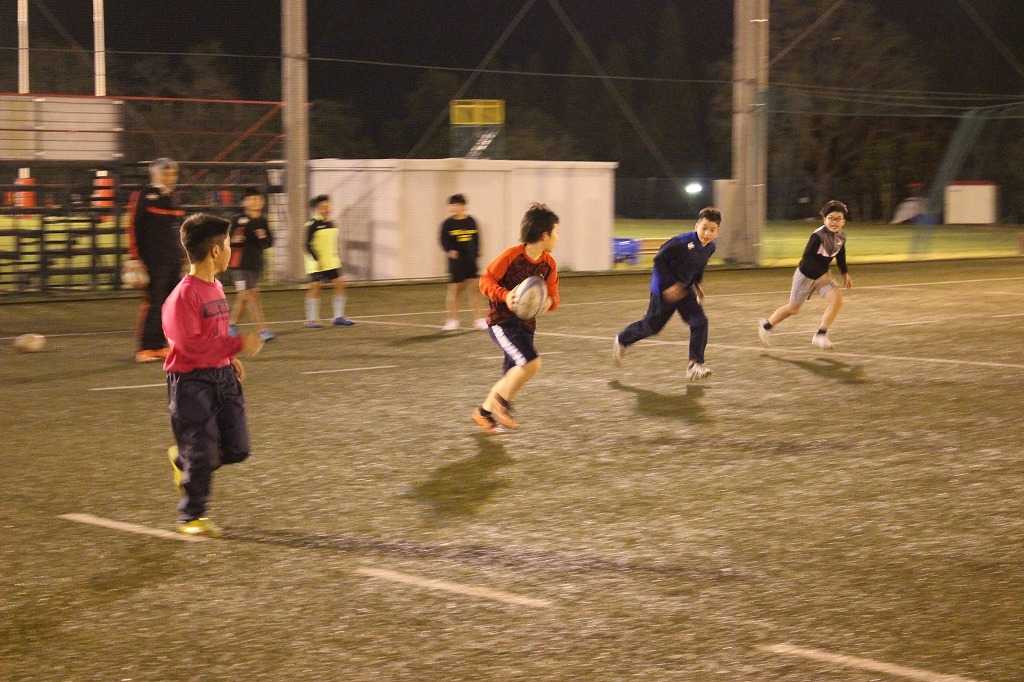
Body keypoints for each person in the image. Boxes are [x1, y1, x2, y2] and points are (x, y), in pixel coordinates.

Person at [162, 214, 263, 537]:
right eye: (229, 245)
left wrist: (229, 358)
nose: (232, 251)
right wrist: (238, 344)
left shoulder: (216, 286)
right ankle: (191, 517)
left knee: (238, 448)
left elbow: (215, 333)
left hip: (222, 376)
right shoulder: (182, 297)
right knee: (203, 452)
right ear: (216, 251)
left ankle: (183, 459)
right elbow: (191, 347)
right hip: (192, 383)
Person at [473, 203, 560, 433]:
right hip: (502, 321)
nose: (557, 237)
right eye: (556, 232)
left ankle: (483, 413)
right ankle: (502, 404)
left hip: (526, 326)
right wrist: (505, 295)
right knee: (531, 362)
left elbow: (554, 297)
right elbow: (485, 281)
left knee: (511, 376)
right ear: (545, 235)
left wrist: (548, 302)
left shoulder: (549, 264)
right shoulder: (512, 256)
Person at [613, 207, 721, 380]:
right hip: (663, 290)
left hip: (684, 290)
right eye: (704, 228)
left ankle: (695, 364)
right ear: (696, 226)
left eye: (712, 230)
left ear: (717, 231)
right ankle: (622, 339)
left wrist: (697, 286)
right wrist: (668, 287)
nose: (707, 233)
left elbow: (698, 266)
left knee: (700, 322)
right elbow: (658, 260)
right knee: (652, 327)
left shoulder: (710, 248)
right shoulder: (681, 242)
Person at [758, 200, 853, 349]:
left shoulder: (841, 237)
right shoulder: (817, 236)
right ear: (824, 219)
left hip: (822, 276)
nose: (834, 222)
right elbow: (807, 259)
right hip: (805, 275)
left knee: (837, 300)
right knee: (793, 309)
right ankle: (766, 326)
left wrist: (845, 273)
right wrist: (821, 275)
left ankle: (820, 335)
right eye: (831, 218)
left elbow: (841, 255)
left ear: (843, 221)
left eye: (838, 219)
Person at [126, 158, 185, 363]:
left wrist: (184, 257)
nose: (170, 177)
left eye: (173, 173)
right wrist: (134, 258)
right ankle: (145, 348)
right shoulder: (144, 195)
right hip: (152, 260)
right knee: (154, 302)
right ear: (155, 174)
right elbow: (133, 227)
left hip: (173, 259)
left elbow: (178, 231)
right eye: (165, 173)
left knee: (170, 304)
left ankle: (160, 345)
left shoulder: (174, 197)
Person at [228, 188, 275, 342]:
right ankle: (263, 330)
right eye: (251, 199)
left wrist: (262, 237)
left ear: (262, 202)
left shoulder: (263, 221)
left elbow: (268, 243)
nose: (255, 202)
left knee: (244, 297)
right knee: (249, 295)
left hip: (254, 264)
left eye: (258, 199)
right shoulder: (238, 219)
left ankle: (231, 325)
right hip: (238, 264)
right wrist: (236, 239)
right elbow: (230, 240)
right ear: (244, 202)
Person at [303, 194, 354, 328]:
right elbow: (306, 245)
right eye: (322, 207)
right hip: (316, 263)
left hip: (331, 262)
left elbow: (332, 244)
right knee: (316, 287)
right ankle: (311, 320)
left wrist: (336, 258)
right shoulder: (312, 224)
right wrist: (316, 259)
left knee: (340, 284)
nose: (326, 209)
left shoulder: (332, 223)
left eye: (328, 206)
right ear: (317, 209)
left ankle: (338, 317)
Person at [439, 193, 487, 331]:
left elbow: (476, 238)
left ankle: (479, 320)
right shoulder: (447, 223)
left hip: (470, 261)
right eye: (452, 205)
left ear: (463, 206)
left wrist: (477, 252)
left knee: (475, 290)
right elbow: (443, 240)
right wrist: (449, 250)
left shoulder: (471, 221)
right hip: (456, 263)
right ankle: (452, 320)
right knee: (454, 291)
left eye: (457, 205)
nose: (454, 207)